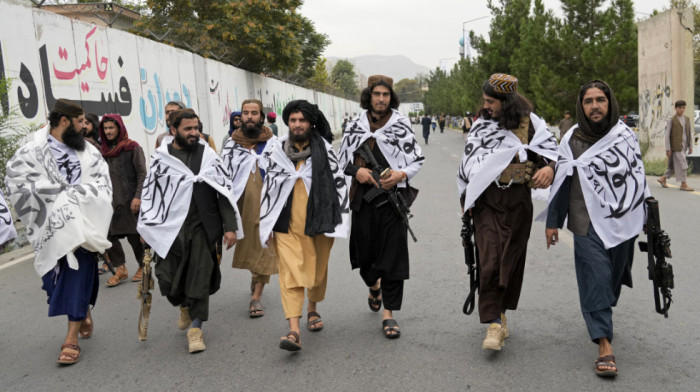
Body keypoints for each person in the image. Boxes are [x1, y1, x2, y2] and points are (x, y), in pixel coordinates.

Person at [544, 80, 649, 378]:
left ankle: (603, 304)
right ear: (581, 106)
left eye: (600, 100)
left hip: (622, 220)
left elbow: (637, 178)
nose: (594, 106)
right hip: (585, 221)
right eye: (588, 101)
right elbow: (561, 183)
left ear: (609, 102)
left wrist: (648, 215)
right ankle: (604, 344)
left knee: (613, 276)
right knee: (596, 276)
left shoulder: (624, 136)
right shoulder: (571, 140)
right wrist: (553, 222)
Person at [5, 98, 113, 365]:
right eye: (79, 123)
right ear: (64, 122)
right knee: (53, 284)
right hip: (49, 229)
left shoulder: (90, 153)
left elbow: (102, 183)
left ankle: (71, 339)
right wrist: (55, 193)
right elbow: (17, 183)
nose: (84, 129)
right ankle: (82, 308)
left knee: (77, 275)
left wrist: (75, 196)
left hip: (82, 227)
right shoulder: (31, 151)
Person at [457, 73, 558, 351]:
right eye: (485, 100)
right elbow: (468, 163)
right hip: (487, 201)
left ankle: (500, 314)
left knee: (510, 261)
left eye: (492, 101)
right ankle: (492, 323)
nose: (486, 105)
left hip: (517, 202)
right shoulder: (481, 126)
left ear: (507, 102)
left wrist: (549, 168)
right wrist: (467, 201)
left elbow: (553, 155)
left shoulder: (531, 124)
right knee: (489, 257)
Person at [138, 109, 241, 353]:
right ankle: (183, 304)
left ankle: (196, 328)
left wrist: (230, 227)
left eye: (197, 128)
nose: (195, 133)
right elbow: (151, 194)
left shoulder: (208, 156)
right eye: (188, 129)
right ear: (173, 131)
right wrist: (145, 226)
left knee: (200, 274)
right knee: (168, 277)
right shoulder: (162, 158)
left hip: (202, 226)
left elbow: (222, 190)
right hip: (170, 228)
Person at [258, 100, 349, 352]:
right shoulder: (276, 150)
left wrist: (340, 221)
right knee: (291, 274)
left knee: (317, 272)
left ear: (311, 123)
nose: (297, 125)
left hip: (319, 223)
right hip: (286, 224)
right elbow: (270, 188)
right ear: (287, 122)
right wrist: (266, 223)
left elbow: (339, 185)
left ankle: (313, 307)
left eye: (302, 120)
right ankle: (293, 330)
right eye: (293, 120)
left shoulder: (326, 150)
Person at [338, 75, 425, 339]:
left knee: (393, 256)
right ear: (369, 96)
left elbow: (416, 159)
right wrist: (358, 173)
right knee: (364, 255)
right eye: (376, 94)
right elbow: (342, 161)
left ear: (391, 98)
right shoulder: (354, 126)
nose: (381, 99)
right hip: (363, 200)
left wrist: (401, 175)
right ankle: (373, 285)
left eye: (385, 95)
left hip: (391, 200)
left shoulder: (401, 125)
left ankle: (389, 314)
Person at [221, 99, 278, 318]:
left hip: (267, 202)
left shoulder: (273, 143)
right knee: (251, 242)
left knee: (264, 243)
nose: (250, 117)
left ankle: (256, 297)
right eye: (246, 113)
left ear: (262, 117)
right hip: (241, 203)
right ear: (240, 117)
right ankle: (256, 276)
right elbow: (223, 176)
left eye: (254, 113)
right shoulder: (232, 144)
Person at [98, 114, 147, 287]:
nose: (108, 131)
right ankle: (121, 268)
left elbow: (142, 174)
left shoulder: (131, 148)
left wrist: (138, 196)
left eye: (111, 128)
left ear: (119, 128)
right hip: (110, 202)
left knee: (134, 236)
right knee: (109, 236)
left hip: (130, 199)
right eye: (105, 128)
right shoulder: (102, 152)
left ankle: (142, 266)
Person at [658, 100, 694, 191]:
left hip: (683, 147)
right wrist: (668, 149)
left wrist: (690, 146)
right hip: (675, 147)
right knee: (683, 165)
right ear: (675, 109)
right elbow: (667, 135)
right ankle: (683, 184)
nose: (682, 110)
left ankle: (663, 178)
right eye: (680, 108)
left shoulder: (687, 119)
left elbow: (689, 134)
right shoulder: (672, 120)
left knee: (673, 166)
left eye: (683, 108)